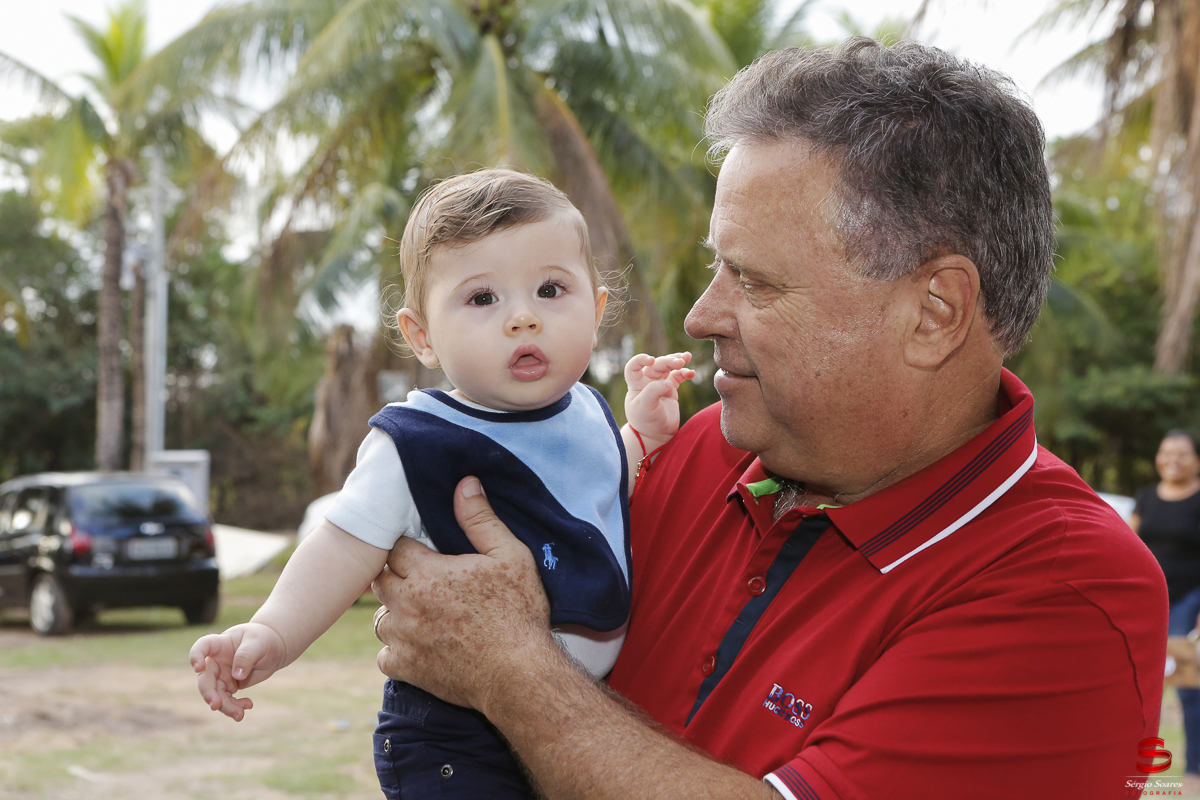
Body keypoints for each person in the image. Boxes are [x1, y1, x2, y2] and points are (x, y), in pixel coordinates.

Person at [369, 39, 1170, 800]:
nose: (700, 314)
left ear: (935, 312)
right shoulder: (693, 453)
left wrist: (512, 671)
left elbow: (508, 654)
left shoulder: (1068, 592)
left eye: (753, 281)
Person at [188, 169, 695, 799]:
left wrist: (640, 436)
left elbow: (590, 498)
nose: (523, 319)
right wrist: (272, 632)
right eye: (483, 299)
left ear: (595, 310)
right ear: (422, 336)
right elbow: (343, 545)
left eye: (550, 289)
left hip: (581, 718)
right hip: (458, 736)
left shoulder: (589, 412)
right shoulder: (417, 443)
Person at [1133, 430, 1200, 792]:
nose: (1172, 459)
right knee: (1140, 687)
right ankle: (1137, 768)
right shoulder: (1146, 497)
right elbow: (1127, 545)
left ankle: (1195, 769)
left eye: (1182, 453)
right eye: (1166, 452)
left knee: (1189, 687)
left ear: (1197, 462)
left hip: (1189, 600)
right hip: (1147, 602)